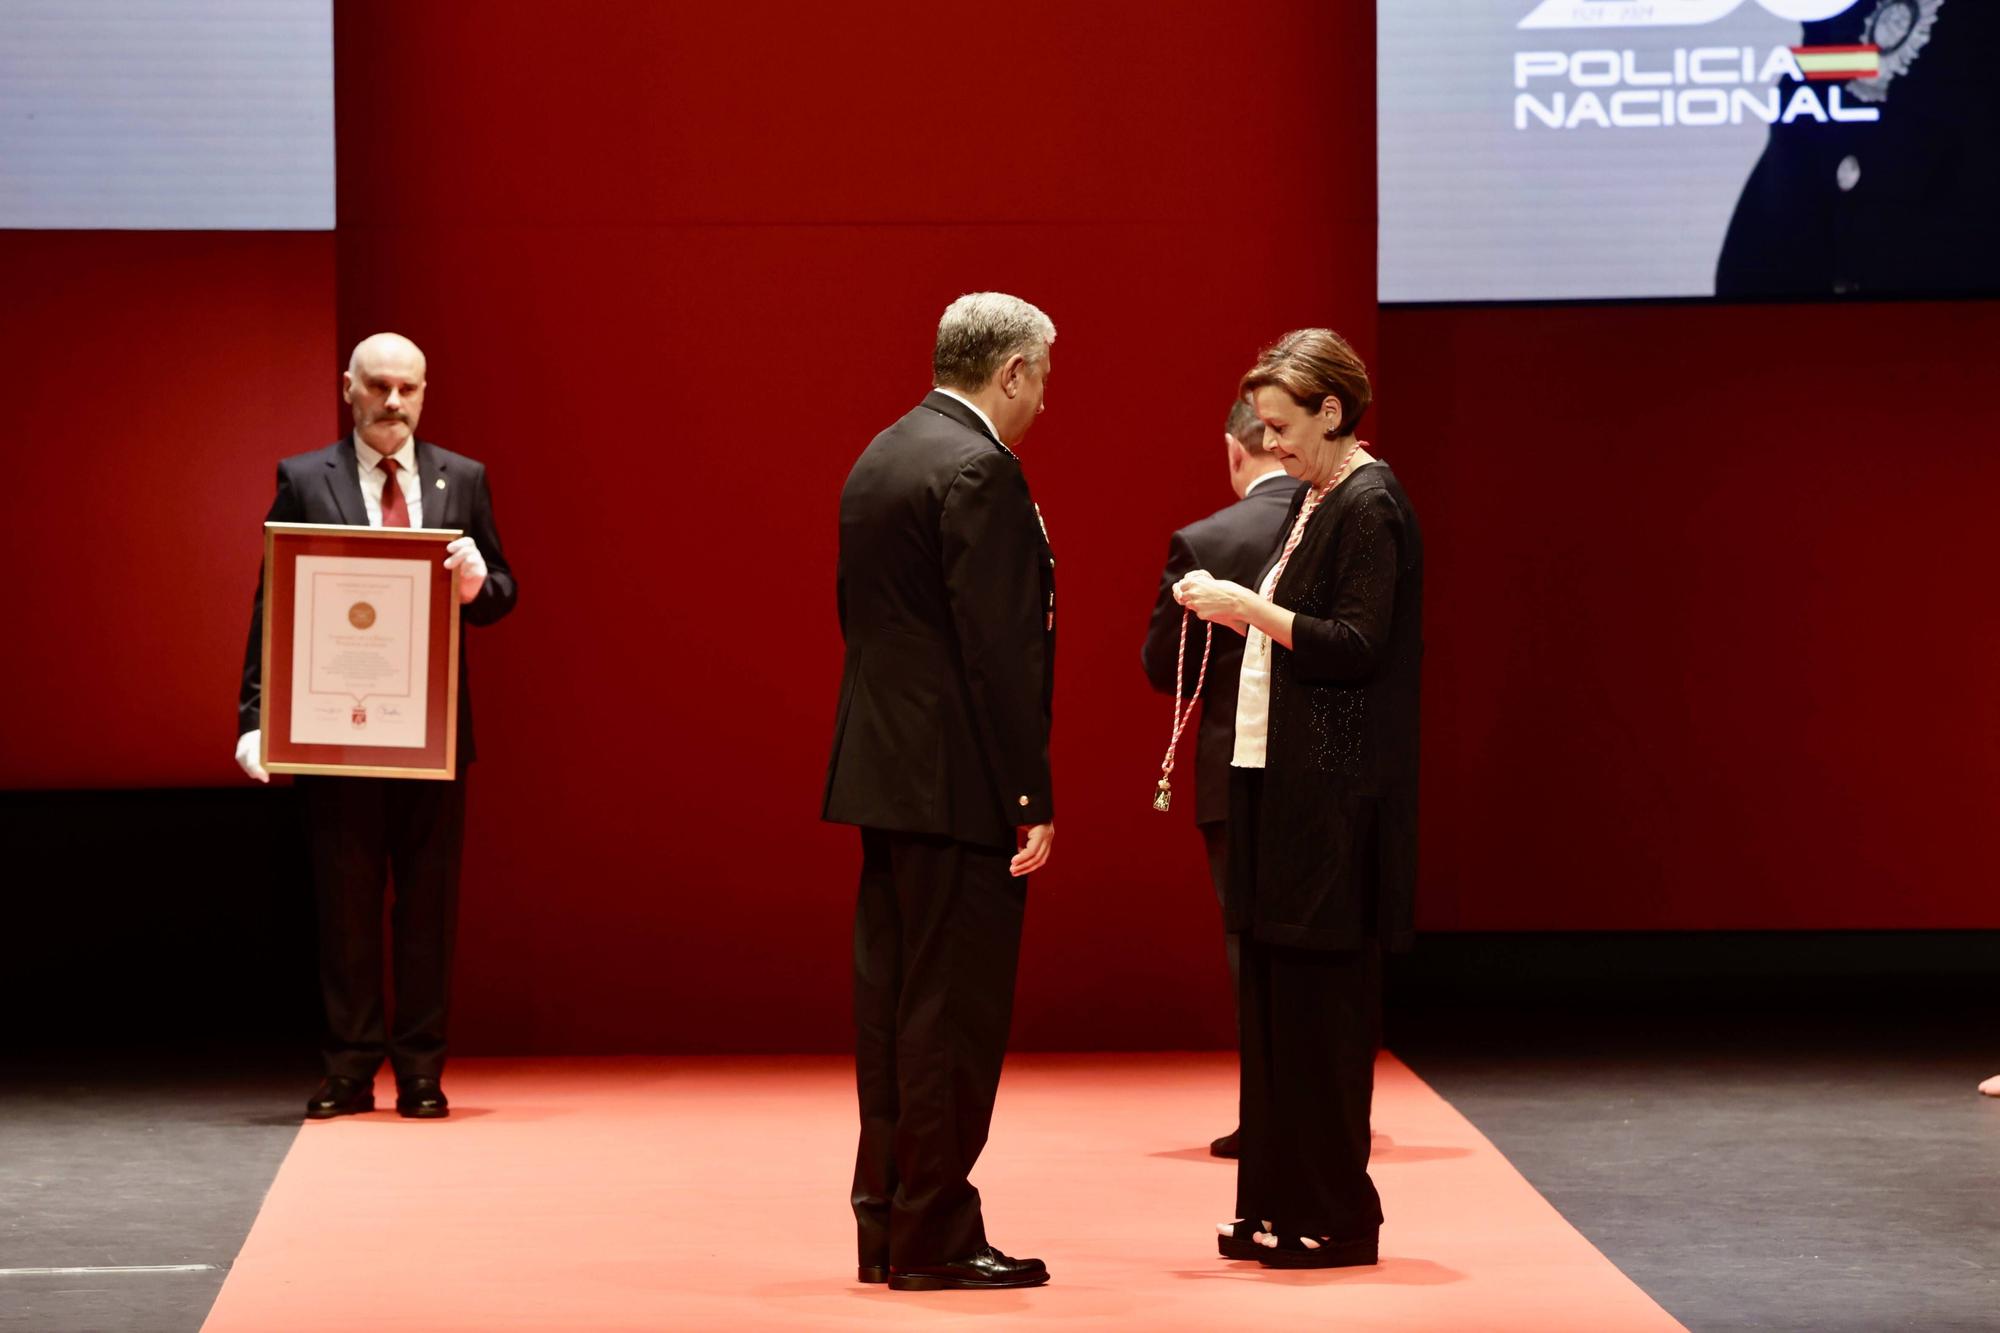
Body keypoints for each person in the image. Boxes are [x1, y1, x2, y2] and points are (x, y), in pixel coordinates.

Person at [822, 292, 1057, 1292]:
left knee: (891, 1011)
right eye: (1042, 376)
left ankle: (886, 1218)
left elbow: (866, 624)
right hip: (960, 784)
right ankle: (934, 1235)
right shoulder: (979, 469)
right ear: (1009, 371)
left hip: (880, 772)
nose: (1044, 400)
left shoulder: (880, 453)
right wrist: (1027, 793)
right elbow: (997, 654)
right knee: (950, 1016)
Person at [1173, 328, 1422, 1269]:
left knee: (1318, 1016)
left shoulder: (1370, 501)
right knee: (1275, 1007)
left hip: (1334, 799)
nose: (1269, 443)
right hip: (1284, 791)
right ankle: (1278, 1198)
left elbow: (1356, 643)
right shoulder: (1318, 498)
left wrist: (1247, 607)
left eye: (1282, 425)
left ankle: (1335, 1212)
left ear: (1333, 411)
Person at [235, 332, 517, 1121]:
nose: (396, 402)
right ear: (349, 388)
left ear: (426, 393)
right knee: (346, 907)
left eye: (411, 388)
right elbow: (273, 601)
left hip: (430, 735)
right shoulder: (303, 477)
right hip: (335, 733)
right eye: (381, 386)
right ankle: (350, 1069)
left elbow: (502, 588)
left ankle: (422, 1071)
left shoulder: (462, 477)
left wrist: (475, 585)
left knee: (428, 909)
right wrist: (256, 718)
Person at [1140, 399, 1303, 1158]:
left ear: (1234, 450)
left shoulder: (1206, 540)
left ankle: (1265, 1111)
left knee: (1250, 939)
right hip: (1324, 760)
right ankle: (1323, 1104)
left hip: (1230, 764)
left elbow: (1158, 668)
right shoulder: (1339, 521)